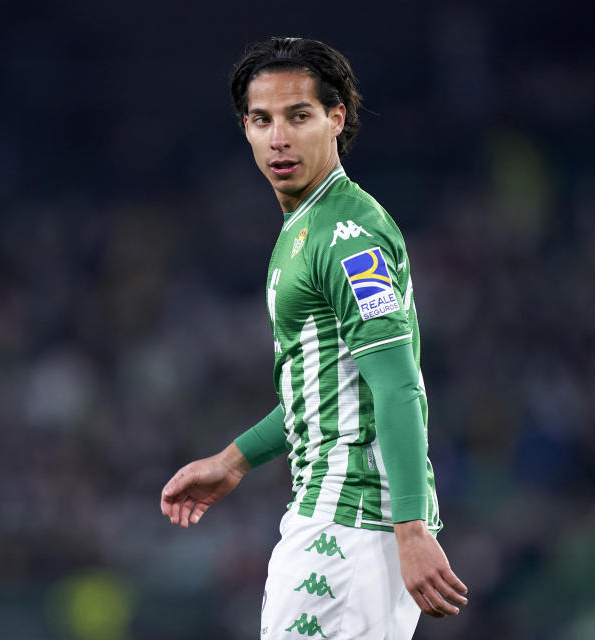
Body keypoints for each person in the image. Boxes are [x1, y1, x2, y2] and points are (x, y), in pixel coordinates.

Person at [160, 37, 467, 639]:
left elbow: (397, 382)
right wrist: (233, 460)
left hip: (350, 518)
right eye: (261, 120)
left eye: (298, 116)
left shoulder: (347, 234)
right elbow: (330, 387)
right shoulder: (305, 228)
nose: (279, 137)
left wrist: (409, 529)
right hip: (341, 515)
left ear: (336, 118)